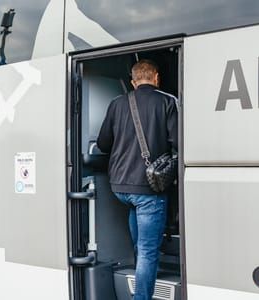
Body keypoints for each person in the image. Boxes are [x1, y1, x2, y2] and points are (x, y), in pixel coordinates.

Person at [97, 59, 178, 300]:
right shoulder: (166, 101)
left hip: (120, 187)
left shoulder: (117, 103)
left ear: (133, 82)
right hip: (147, 189)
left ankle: (145, 273)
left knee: (141, 239)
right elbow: (178, 143)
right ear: (156, 78)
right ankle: (141, 296)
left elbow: (103, 143)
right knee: (147, 250)